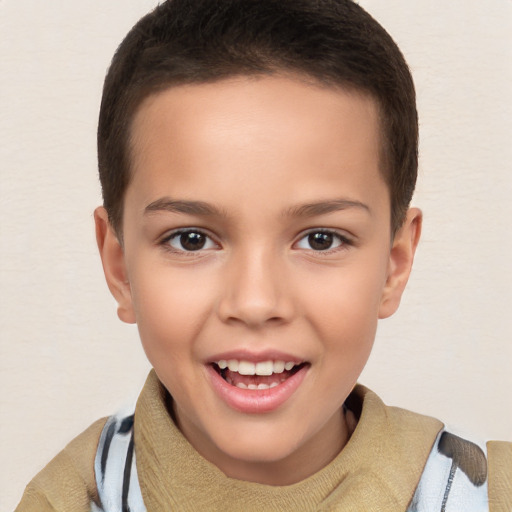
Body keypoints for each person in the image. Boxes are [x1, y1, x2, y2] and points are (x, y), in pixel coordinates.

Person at [15, 0, 511, 511]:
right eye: (191, 239)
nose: (255, 302)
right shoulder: (64, 499)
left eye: (321, 239)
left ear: (394, 263)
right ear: (120, 267)